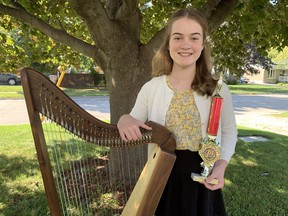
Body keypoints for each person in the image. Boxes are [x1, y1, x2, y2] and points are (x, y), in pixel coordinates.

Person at [117, 8, 237, 216]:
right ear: (168, 44)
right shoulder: (152, 87)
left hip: (202, 176)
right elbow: (133, 120)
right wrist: (124, 119)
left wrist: (220, 167)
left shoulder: (218, 89)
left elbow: (229, 131)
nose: (185, 44)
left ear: (202, 46)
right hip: (161, 177)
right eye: (178, 37)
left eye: (194, 38)